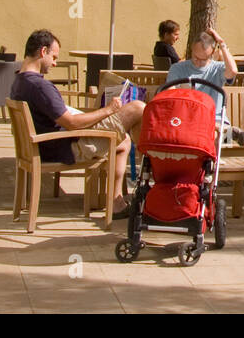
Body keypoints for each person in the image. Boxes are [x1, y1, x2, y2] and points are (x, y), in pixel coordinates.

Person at [10, 29, 145, 218]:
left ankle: (116, 202)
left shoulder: (19, 80)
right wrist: (108, 110)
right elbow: (72, 123)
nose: (55, 63)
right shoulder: (39, 86)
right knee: (138, 108)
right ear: (43, 52)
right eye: (54, 57)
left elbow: (59, 115)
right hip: (66, 146)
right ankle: (151, 171)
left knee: (124, 142)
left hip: (46, 144)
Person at [165, 27, 243, 144]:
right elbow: (169, 94)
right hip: (185, 118)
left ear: (212, 54)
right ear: (191, 49)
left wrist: (221, 43)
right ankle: (228, 131)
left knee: (214, 135)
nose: (198, 62)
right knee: (199, 130)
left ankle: (222, 135)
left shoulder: (217, 68)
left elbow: (232, 71)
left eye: (203, 59)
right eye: (196, 57)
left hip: (213, 119)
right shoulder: (178, 68)